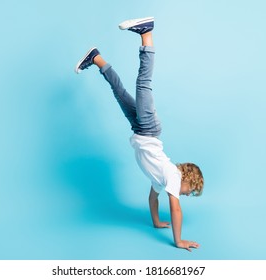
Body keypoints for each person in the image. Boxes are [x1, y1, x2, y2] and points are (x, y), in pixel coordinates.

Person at [74, 17, 204, 251]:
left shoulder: (160, 180)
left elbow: (152, 200)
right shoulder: (173, 177)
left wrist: (156, 222)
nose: (186, 195)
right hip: (148, 128)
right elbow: (175, 209)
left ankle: (96, 57)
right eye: (190, 191)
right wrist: (179, 240)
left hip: (139, 128)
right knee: (143, 83)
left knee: (119, 92)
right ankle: (147, 33)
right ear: (188, 180)